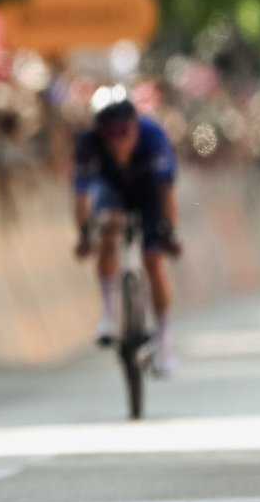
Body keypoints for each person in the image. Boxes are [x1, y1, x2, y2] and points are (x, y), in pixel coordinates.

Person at [73, 86, 181, 376]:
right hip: (113, 191)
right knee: (108, 233)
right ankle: (109, 313)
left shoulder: (154, 137)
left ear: (136, 127)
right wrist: (84, 235)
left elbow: (166, 193)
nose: (118, 142)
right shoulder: (89, 144)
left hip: (148, 193)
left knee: (153, 262)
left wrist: (170, 234)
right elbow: (81, 197)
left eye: (125, 132)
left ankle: (163, 339)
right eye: (110, 134)